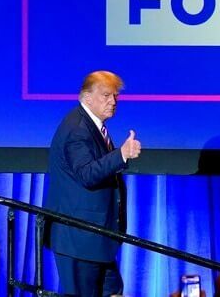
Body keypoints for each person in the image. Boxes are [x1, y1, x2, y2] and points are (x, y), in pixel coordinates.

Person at [44, 71, 141, 296]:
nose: (113, 102)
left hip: (97, 240)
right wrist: (121, 155)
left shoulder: (92, 125)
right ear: (87, 97)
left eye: (115, 96)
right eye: (106, 95)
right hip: (80, 238)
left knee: (113, 291)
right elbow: (87, 174)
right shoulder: (77, 128)